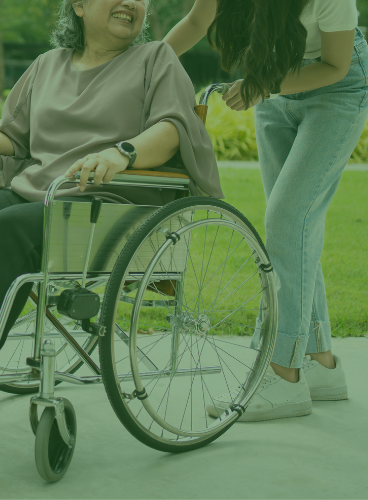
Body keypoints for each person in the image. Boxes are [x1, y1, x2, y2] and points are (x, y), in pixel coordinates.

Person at [0, 0, 222, 425]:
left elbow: (172, 128)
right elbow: (11, 135)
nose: (132, 2)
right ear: (79, 5)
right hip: (35, 198)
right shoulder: (47, 65)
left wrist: (123, 152)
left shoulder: (155, 59)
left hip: (106, 209)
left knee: (8, 227)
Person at [164, 0, 366, 421]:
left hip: (335, 90)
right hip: (273, 82)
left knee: (288, 219)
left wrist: (265, 84)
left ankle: (282, 375)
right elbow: (199, 19)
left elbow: (335, 66)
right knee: (296, 228)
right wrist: (143, 66)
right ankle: (320, 362)